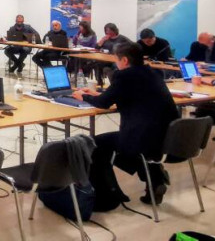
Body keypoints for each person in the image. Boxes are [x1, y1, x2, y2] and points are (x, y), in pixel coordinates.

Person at [73, 42, 178, 206]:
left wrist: (84, 97)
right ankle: (155, 178)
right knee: (118, 144)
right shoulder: (152, 72)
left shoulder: (124, 76)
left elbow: (104, 103)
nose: (115, 63)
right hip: (167, 137)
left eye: (116, 59)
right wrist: (99, 94)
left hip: (144, 138)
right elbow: (124, 94)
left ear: (124, 61)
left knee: (93, 144)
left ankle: (105, 197)